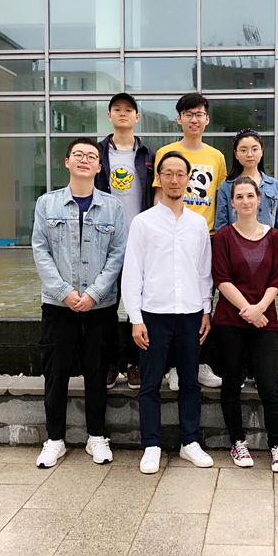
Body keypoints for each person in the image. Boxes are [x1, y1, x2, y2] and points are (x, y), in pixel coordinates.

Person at [32, 137, 126, 468]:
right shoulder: (47, 204)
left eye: (91, 156)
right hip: (58, 306)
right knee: (55, 372)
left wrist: (94, 293)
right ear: (67, 162)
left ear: (99, 166)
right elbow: (40, 250)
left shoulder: (112, 207)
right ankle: (54, 440)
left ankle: (96, 437)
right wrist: (63, 292)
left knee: (97, 372)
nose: (84, 160)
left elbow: (117, 254)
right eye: (78, 155)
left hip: (99, 307)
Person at [123, 151, 215, 474]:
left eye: (180, 174)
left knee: (190, 380)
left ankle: (190, 442)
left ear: (188, 180)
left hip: (191, 312)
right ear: (158, 179)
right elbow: (132, 273)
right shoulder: (143, 222)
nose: (174, 180)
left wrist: (206, 310)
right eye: (168, 174)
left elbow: (204, 272)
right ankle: (151, 445)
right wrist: (136, 318)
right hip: (153, 313)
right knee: (150, 383)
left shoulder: (198, 224)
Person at [212, 177, 278, 473]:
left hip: (264, 321)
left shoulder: (273, 237)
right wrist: (248, 310)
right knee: (231, 383)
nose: (245, 201)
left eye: (250, 196)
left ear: (259, 200)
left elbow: (277, 279)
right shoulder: (223, 236)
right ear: (232, 203)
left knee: (269, 385)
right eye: (239, 197)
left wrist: (259, 310)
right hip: (229, 321)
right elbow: (222, 279)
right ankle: (238, 441)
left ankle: (277, 446)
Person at [153, 93, 226, 391]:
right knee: (173, 300)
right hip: (171, 236)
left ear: (207, 119)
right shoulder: (166, 152)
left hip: (206, 237)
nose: (194, 119)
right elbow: (158, 195)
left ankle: (199, 363)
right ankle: (174, 366)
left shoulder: (217, 157)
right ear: (179, 118)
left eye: (199, 114)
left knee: (203, 301)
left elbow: (220, 201)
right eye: (188, 114)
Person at [95, 92, 156, 391]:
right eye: (117, 109)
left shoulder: (148, 155)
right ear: (109, 116)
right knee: (106, 307)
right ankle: (110, 364)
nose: (123, 113)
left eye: (128, 109)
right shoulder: (97, 153)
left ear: (136, 117)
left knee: (138, 306)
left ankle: (135, 363)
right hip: (105, 244)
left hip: (139, 244)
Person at [214, 128, 278, 248]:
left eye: (254, 149)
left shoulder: (274, 185)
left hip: (268, 250)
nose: (249, 154)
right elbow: (221, 227)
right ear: (236, 154)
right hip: (237, 251)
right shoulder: (226, 186)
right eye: (243, 150)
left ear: (262, 151)